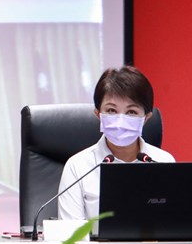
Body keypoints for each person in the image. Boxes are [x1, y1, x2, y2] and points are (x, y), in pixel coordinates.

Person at [57, 65, 175, 222]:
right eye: (111, 111)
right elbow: (71, 232)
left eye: (131, 112)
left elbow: (172, 226)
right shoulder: (78, 167)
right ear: (98, 114)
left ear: (146, 118)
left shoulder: (164, 162)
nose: (120, 120)